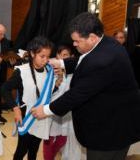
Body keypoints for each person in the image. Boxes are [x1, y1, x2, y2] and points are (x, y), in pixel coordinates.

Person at [31, 12, 140, 160]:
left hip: (109, 133)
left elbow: (77, 94)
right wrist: (62, 63)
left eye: (77, 41)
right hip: (112, 122)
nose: (74, 44)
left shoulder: (102, 61)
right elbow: (84, 60)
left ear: (92, 37)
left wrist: (46, 110)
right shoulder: (105, 43)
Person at [2, 36, 54, 160]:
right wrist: (15, 109)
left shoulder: (49, 72)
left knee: (34, 151)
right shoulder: (21, 71)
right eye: (42, 56)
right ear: (32, 53)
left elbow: (47, 93)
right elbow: (4, 89)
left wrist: (56, 85)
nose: (45, 60)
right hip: (26, 118)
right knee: (21, 150)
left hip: (42, 117)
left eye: (48, 57)